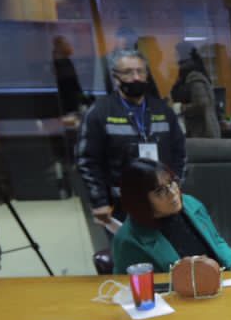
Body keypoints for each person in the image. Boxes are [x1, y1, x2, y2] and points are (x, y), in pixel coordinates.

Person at [76, 50, 187, 233]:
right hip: (121, 204)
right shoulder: (100, 112)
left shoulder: (163, 110)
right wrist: (100, 202)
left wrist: (175, 189)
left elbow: (180, 153)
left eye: (140, 71)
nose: (136, 77)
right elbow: (87, 161)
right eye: (128, 72)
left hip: (164, 202)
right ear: (116, 77)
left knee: (168, 255)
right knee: (131, 256)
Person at [110, 158, 231, 273]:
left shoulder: (191, 204)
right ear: (140, 200)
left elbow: (216, 240)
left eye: (171, 183)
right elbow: (131, 289)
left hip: (218, 283)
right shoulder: (128, 240)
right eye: (160, 191)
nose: (173, 193)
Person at [171, 43, 221, 139]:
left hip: (202, 133)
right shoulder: (185, 74)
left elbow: (202, 104)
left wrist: (180, 108)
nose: (174, 57)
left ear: (183, 54)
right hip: (196, 131)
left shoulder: (193, 75)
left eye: (176, 54)